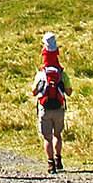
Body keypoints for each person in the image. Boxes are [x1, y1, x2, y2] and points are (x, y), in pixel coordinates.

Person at [30, 33, 72, 173]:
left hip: (45, 107)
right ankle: (59, 159)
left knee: (47, 137)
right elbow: (69, 91)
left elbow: (34, 92)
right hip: (59, 107)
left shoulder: (41, 73)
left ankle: (50, 163)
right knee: (57, 135)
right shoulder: (61, 73)